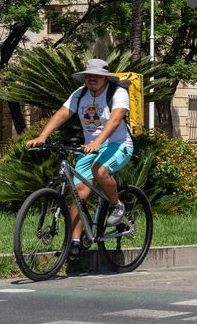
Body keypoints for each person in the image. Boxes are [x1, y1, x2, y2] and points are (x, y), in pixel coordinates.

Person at [26, 59, 133, 257]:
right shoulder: (80, 94)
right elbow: (61, 114)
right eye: (89, 76)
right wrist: (43, 136)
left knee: (99, 170)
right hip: (89, 148)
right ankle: (75, 242)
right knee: (78, 194)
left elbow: (116, 119)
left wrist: (98, 142)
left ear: (105, 78)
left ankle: (116, 205)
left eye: (97, 76)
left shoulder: (118, 93)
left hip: (118, 145)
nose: (92, 79)